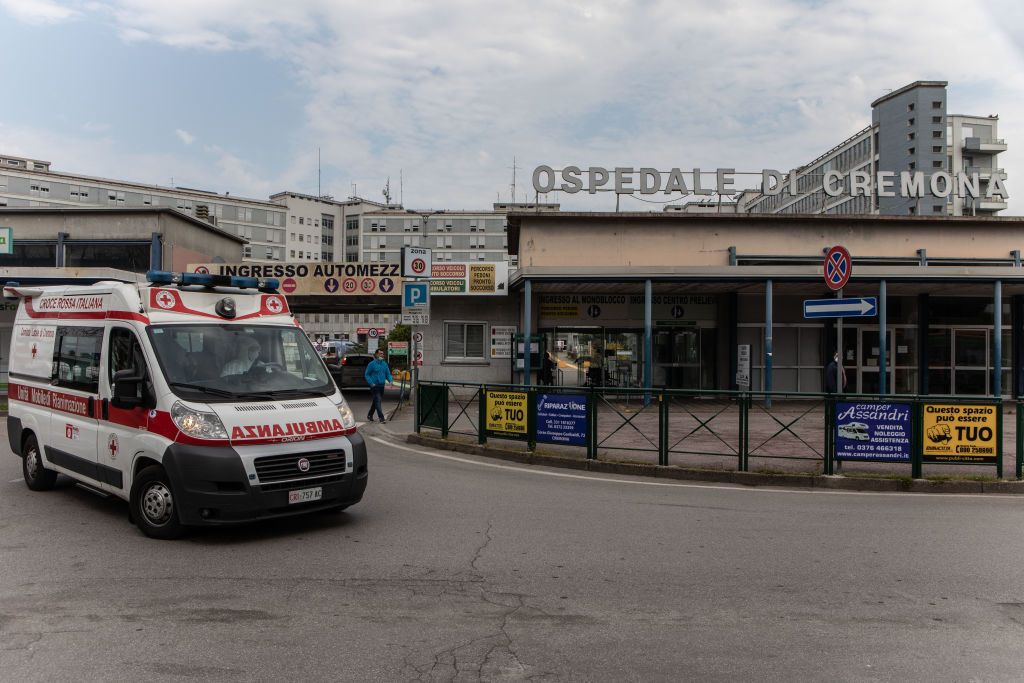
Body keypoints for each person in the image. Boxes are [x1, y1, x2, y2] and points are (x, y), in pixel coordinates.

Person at [364, 348, 394, 422]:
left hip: (381, 386)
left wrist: (390, 381)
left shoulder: (384, 364)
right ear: (376, 354)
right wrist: (371, 383)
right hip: (374, 386)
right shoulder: (371, 364)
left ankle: (370, 415)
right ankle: (381, 418)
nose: (382, 355)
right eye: (380, 353)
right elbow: (367, 374)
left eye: (383, 354)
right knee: (378, 401)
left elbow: (388, 374)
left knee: (375, 401)